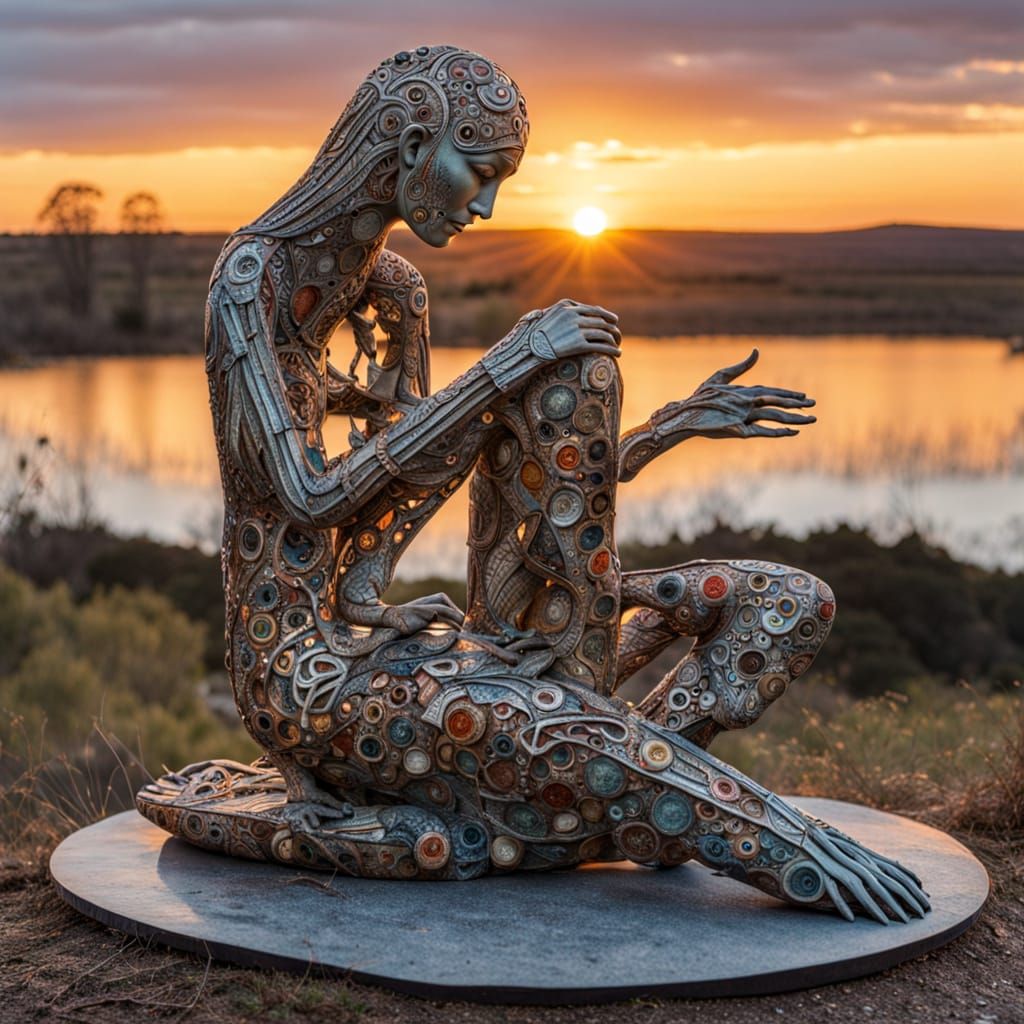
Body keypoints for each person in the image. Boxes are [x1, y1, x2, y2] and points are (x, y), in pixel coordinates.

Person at [139, 46, 928, 923]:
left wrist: (663, 428)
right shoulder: (249, 279)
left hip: (407, 646)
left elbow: (414, 485)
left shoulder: (395, 288)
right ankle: (662, 807)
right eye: (479, 172)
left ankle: (574, 796)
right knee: (564, 728)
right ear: (412, 145)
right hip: (306, 678)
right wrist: (503, 365)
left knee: (787, 603)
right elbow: (311, 499)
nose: (484, 206)